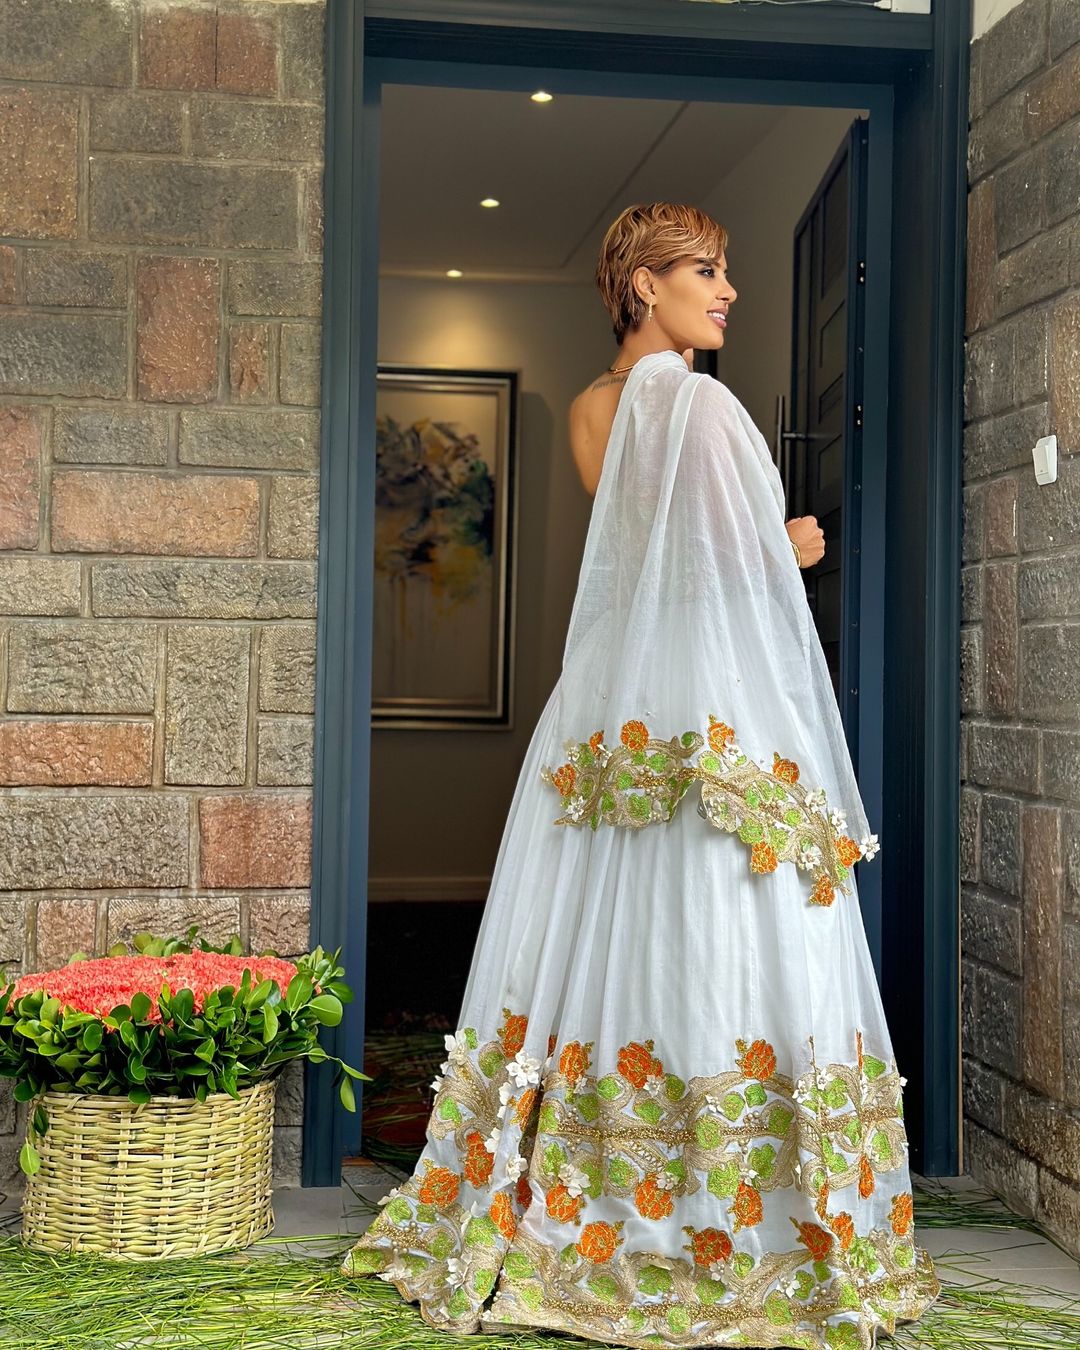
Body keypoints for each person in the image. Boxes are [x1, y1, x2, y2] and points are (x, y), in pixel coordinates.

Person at [343, 202, 942, 1348]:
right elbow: (715, 576)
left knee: (606, 931)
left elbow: (638, 567)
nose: (727, 293)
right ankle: (723, 1222)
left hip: (617, 710)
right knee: (725, 921)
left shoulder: (588, 410)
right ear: (641, 286)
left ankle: (588, 1201)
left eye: (726, 271)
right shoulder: (705, 406)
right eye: (706, 272)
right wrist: (790, 549)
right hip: (711, 704)